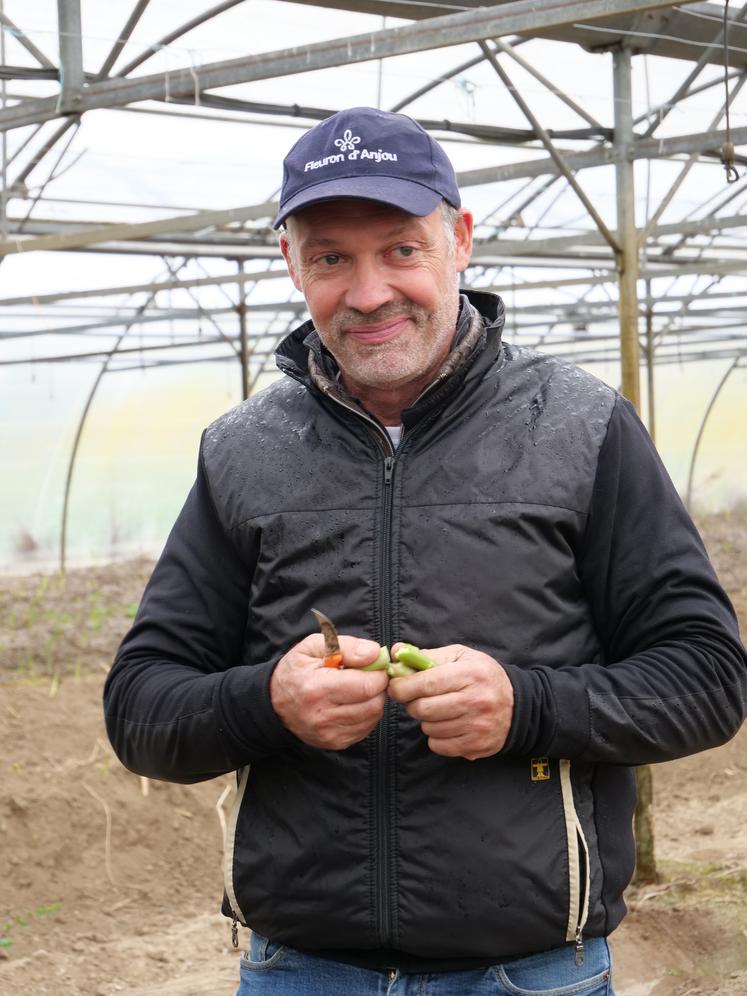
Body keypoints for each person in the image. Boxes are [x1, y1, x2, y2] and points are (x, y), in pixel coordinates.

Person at [104, 106, 746, 996]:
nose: (367, 293)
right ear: (291, 262)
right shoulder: (242, 451)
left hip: (530, 975)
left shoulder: (581, 427)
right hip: (300, 972)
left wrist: (525, 705)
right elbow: (141, 708)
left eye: (400, 249)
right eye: (331, 256)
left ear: (460, 241)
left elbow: (706, 681)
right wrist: (268, 701)